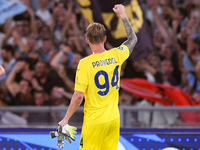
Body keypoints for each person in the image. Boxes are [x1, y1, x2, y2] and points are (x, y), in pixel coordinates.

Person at [55, 4, 137, 150]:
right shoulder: (116, 55)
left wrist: (66, 119)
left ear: (87, 40)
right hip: (113, 119)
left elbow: (79, 96)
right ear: (105, 38)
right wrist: (123, 15)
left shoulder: (85, 63)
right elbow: (132, 40)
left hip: (95, 122)